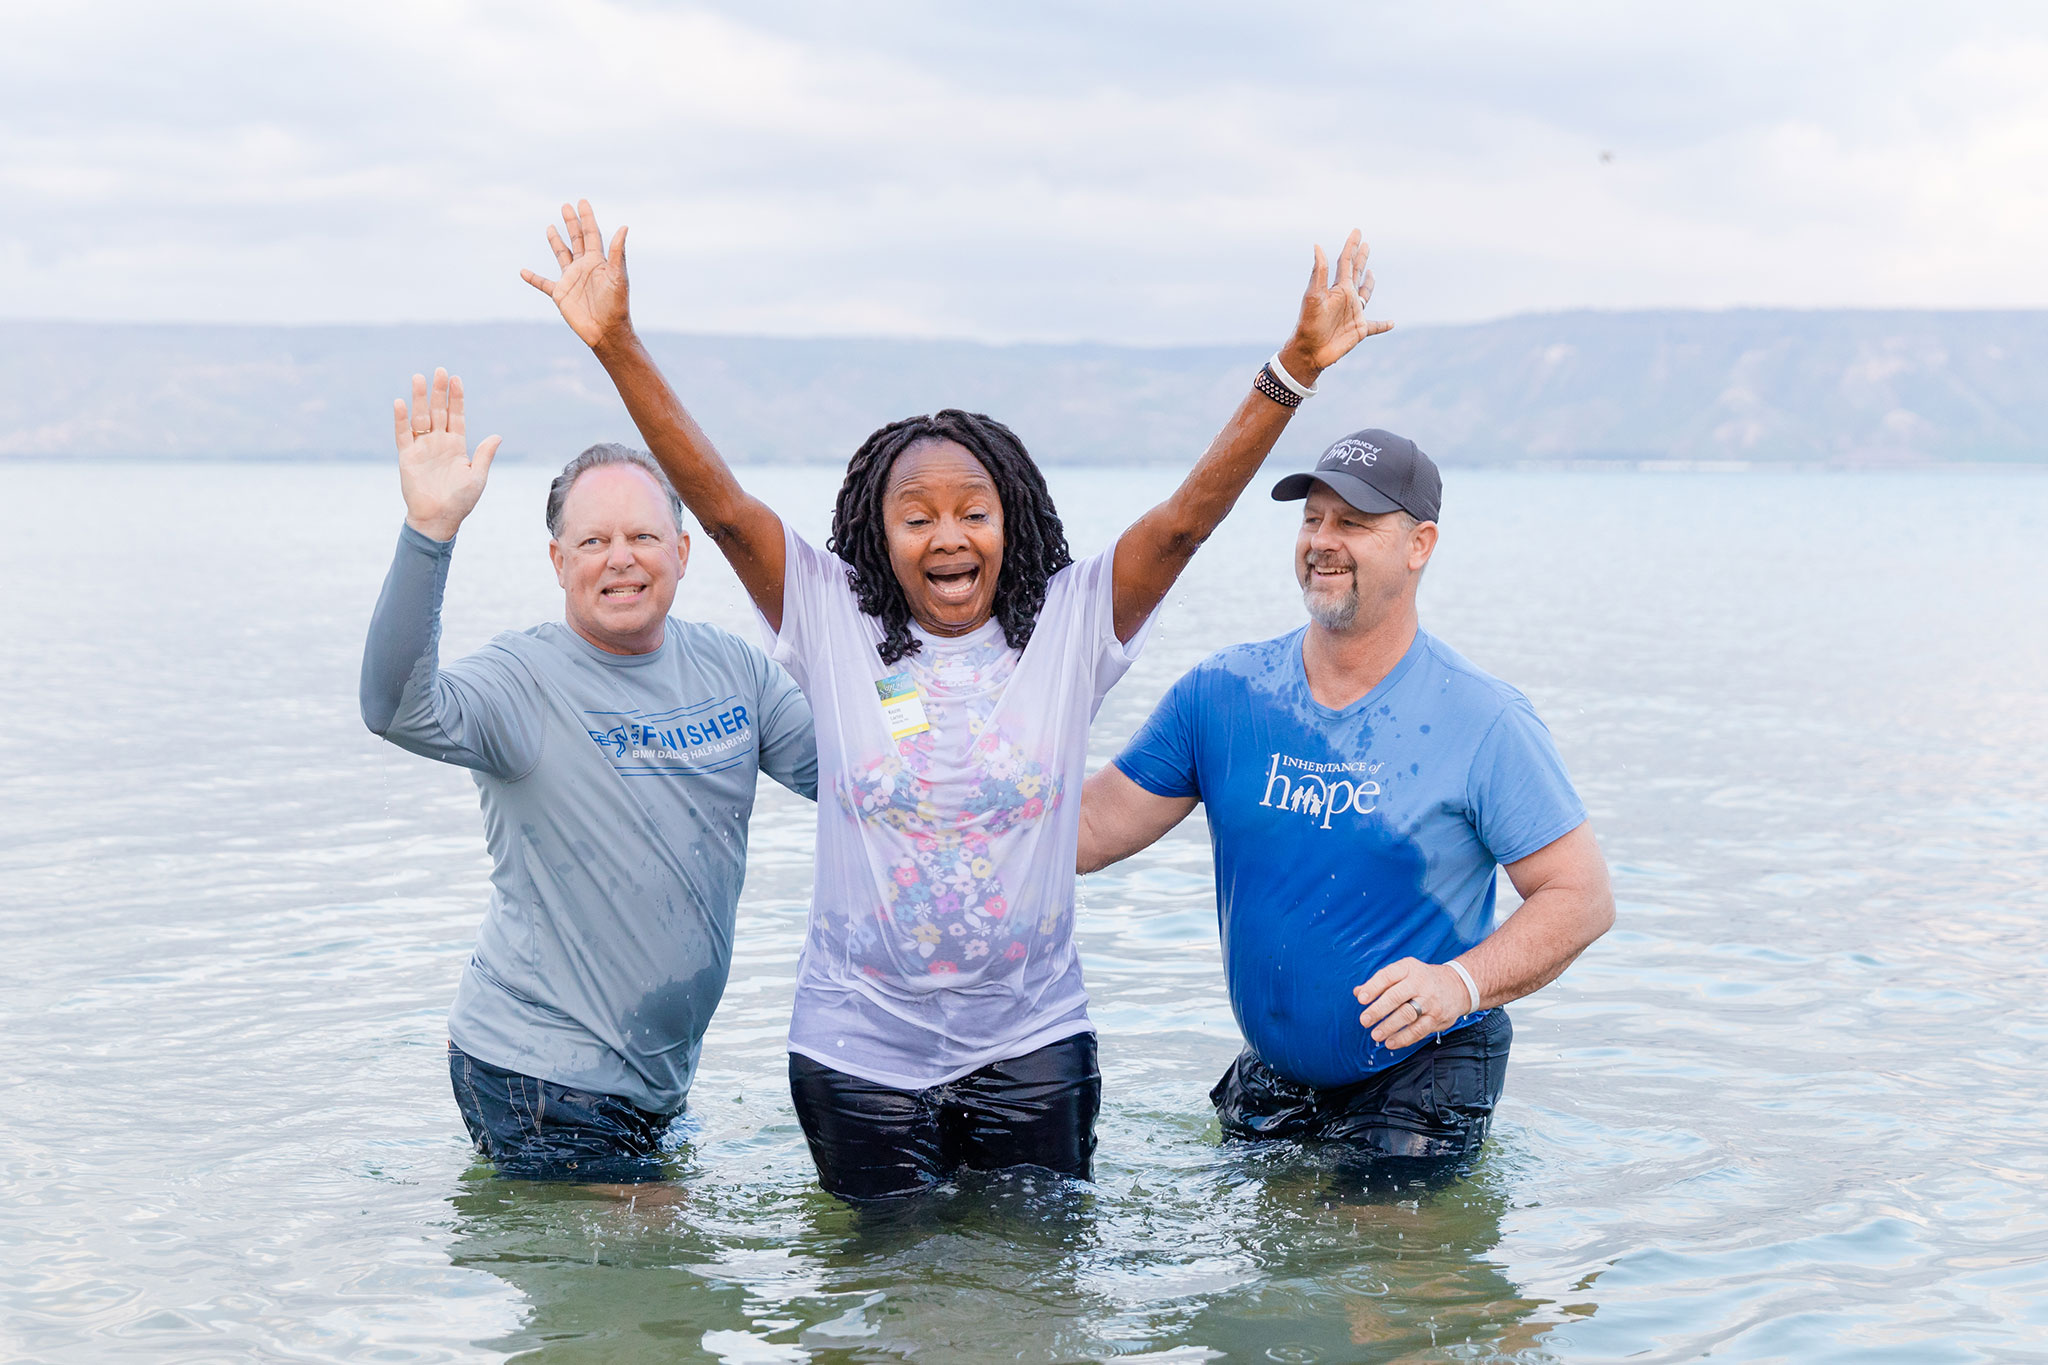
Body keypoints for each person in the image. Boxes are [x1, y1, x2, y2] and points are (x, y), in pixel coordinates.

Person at [520, 199, 1391, 1200]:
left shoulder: (1068, 627)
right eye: (916, 516)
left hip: (1031, 1046)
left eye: (972, 513)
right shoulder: (828, 617)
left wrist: (1292, 373)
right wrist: (618, 344)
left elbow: (1187, 521)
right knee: (878, 1312)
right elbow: (717, 507)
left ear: (1008, 522)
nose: (947, 538)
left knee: (1034, 1310)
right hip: (856, 1056)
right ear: (876, 535)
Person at [1077, 429, 1614, 1174]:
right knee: (1268, 1283)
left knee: (1373, 1285)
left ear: (1419, 543)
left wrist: (1458, 983)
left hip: (1422, 1068)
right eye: (1312, 519)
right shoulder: (1224, 693)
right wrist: (927, 802)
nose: (1323, 542)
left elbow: (1582, 896)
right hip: (1273, 1072)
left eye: (1353, 523)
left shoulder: (1482, 719)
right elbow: (1088, 828)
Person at [360, 368, 818, 1181]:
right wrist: (429, 532)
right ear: (557, 558)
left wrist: (897, 650)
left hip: (652, 1079)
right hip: (536, 1071)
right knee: (657, 1278)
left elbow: (852, 774)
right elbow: (395, 708)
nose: (621, 560)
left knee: (651, 1302)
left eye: (643, 537)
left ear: (681, 552)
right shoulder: (522, 681)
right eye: (593, 541)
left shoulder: (732, 671)